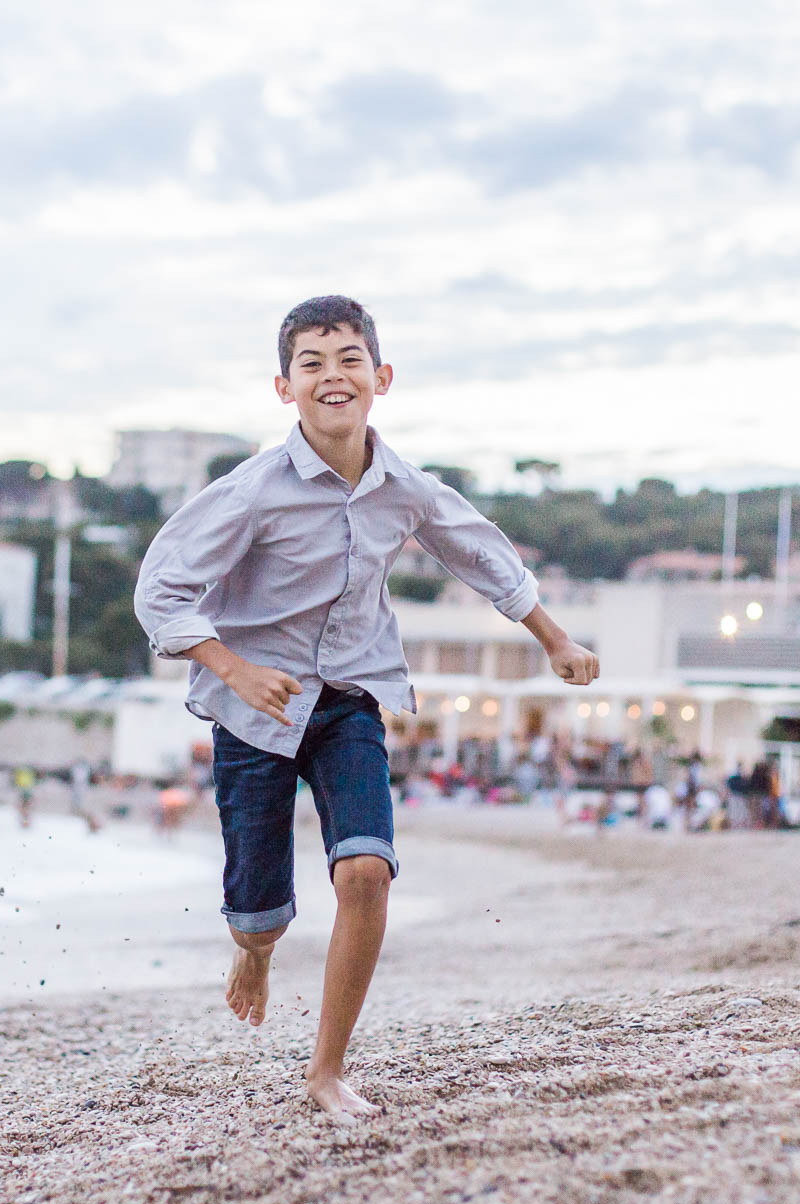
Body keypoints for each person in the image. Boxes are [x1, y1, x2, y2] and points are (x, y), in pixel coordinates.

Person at [133, 295, 599, 1116]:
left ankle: (326, 1072)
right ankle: (254, 948)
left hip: (350, 699)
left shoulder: (403, 488)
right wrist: (230, 668)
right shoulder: (250, 492)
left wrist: (554, 640)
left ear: (379, 377)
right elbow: (160, 589)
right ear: (285, 388)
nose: (332, 376)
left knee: (366, 871)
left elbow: (482, 553)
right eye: (311, 363)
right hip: (255, 711)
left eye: (348, 359)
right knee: (258, 909)